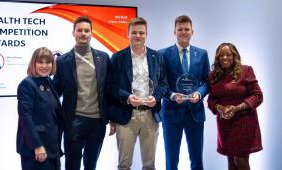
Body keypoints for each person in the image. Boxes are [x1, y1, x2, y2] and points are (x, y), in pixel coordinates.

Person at [107, 17, 168, 170]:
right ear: (128, 34)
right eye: (134, 32)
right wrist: (127, 98)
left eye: (141, 32)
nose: (138, 36)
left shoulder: (157, 57)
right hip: (127, 115)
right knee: (124, 165)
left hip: (150, 115)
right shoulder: (118, 57)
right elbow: (110, 86)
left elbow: (163, 83)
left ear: (147, 34)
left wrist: (157, 97)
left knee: (149, 165)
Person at [52, 16, 110, 170]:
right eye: (79, 30)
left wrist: (114, 119)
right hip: (73, 121)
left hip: (98, 122)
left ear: (92, 33)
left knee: (91, 165)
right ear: (73, 33)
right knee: (72, 165)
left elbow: (108, 89)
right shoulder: (63, 61)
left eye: (87, 30)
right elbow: (55, 91)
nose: (83, 33)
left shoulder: (103, 58)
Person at [159, 15, 210, 170]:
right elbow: (161, 83)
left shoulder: (202, 54)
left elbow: (207, 82)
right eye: (180, 29)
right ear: (174, 32)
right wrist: (172, 96)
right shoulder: (163, 54)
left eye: (186, 29)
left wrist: (199, 94)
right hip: (171, 113)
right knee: (171, 158)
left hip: (195, 113)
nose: (183, 32)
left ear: (192, 31)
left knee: (196, 158)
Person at [207, 42, 263, 170]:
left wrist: (236, 108)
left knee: (240, 161)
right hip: (225, 123)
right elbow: (211, 100)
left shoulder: (246, 71)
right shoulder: (213, 75)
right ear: (217, 58)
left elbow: (258, 96)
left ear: (234, 56)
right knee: (231, 163)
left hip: (244, 122)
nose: (225, 58)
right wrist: (221, 109)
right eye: (221, 55)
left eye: (228, 54)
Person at [16, 47, 63, 170]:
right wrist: (37, 146)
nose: (44, 66)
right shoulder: (27, 84)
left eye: (48, 62)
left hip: (52, 147)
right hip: (37, 149)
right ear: (33, 64)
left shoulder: (48, 81)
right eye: (40, 62)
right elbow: (25, 118)